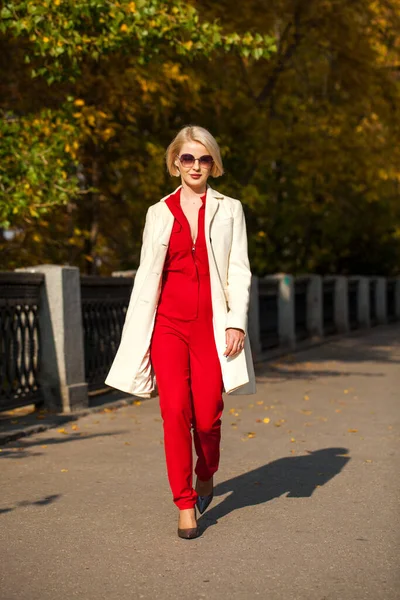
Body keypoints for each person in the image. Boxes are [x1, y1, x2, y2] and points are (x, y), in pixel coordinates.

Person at [105, 125, 256, 539]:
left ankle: (206, 473)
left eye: (203, 158)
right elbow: (146, 276)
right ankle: (185, 502)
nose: (195, 165)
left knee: (207, 418)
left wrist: (235, 322)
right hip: (168, 327)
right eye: (187, 158)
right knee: (175, 413)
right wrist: (137, 333)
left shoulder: (231, 209)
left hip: (210, 327)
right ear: (175, 163)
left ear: (213, 164)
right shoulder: (158, 213)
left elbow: (239, 271)